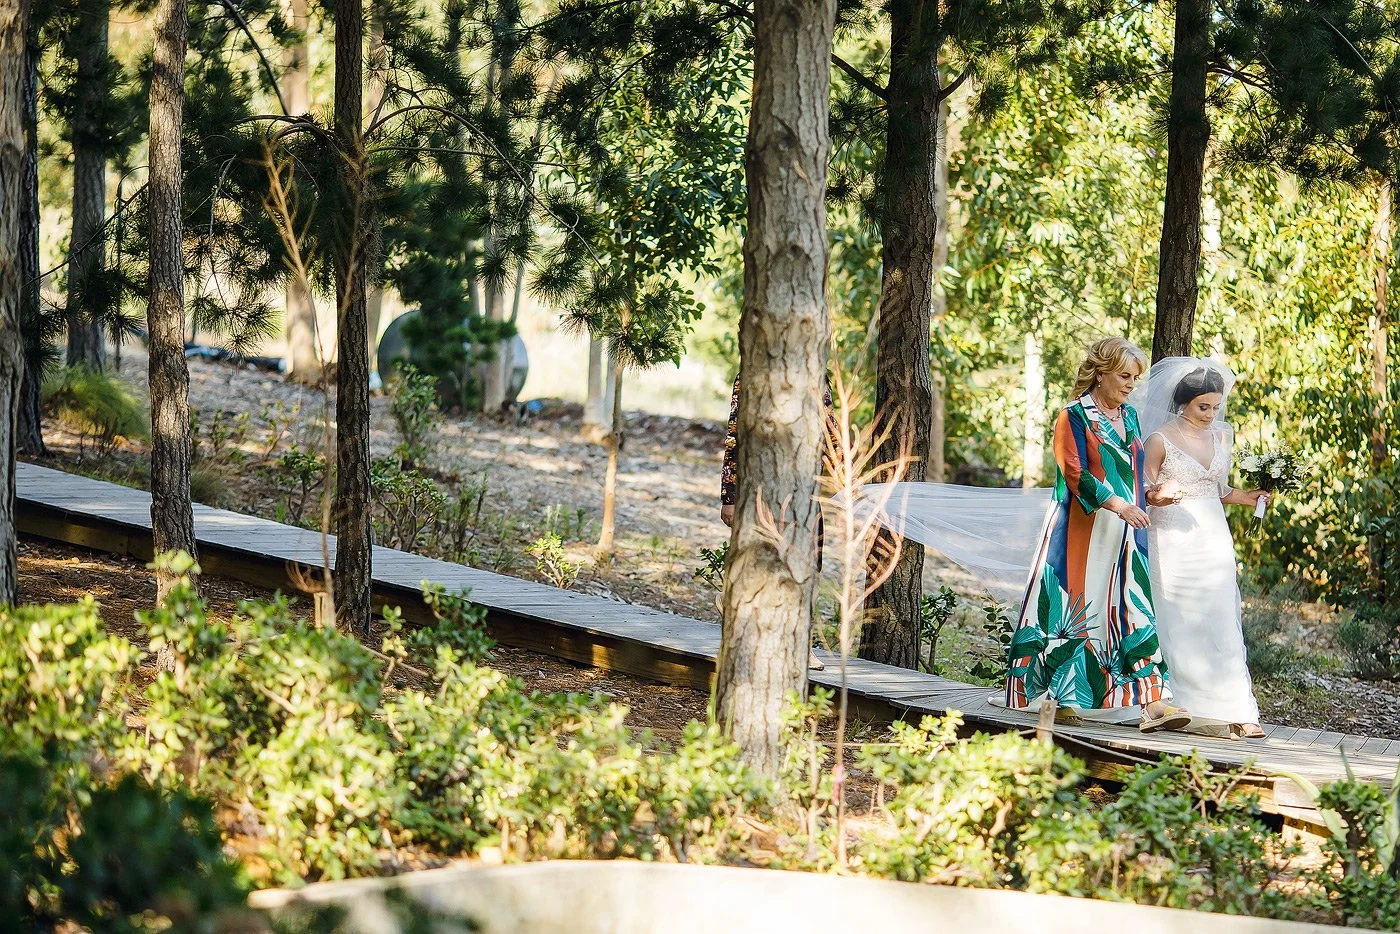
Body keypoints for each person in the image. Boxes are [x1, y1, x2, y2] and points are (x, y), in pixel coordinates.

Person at [1004, 337, 1189, 733]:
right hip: (1083, 530)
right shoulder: (1072, 416)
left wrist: (1156, 495)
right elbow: (1076, 474)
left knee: (1133, 606)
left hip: (1127, 532)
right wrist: (1119, 505)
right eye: (1124, 376)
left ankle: (1153, 703)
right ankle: (1063, 695)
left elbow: (1135, 473)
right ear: (1101, 373)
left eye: (1135, 378)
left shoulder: (1132, 418)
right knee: (1078, 609)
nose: (1130, 385)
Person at [1135, 359, 1269, 740]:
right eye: (1203, 407)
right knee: (1177, 617)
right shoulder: (1159, 439)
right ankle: (1180, 703)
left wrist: (1252, 497)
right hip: (1173, 537)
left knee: (1223, 616)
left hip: (1214, 538)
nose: (1211, 414)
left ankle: (1239, 709)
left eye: (1215, 406)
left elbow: (1220, 490)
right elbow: (1141, 492)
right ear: (1184, 402)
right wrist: (1158, 495)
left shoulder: (1220, 437)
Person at [720, 373, 836, 670]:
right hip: (761, 486)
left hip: (805, 488)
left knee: (807, 566)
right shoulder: (750, 374)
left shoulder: (817, 374)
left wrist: (845, 474)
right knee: (761, 564)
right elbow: (735, 435)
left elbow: (830, 431)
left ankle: (802, 646)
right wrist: (728, 495)